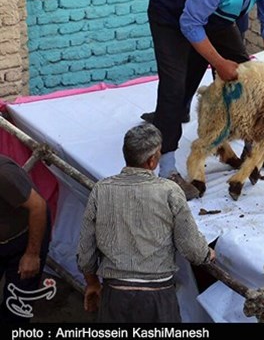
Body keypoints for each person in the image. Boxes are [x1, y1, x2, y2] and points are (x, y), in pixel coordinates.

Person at [147, 0, 264, 198]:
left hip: (217, 14)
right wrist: (218, 63)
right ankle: (167, 169)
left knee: (252, 78)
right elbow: (190, 24)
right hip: (172, 12)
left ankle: (253, 148)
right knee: (175, 85)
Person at [76, 123, 215, 323]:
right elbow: (191, 248)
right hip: (157, 297)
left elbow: (86, 250)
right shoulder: (169, 191)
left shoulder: (102, 189)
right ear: (152, 161)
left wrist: (92, 284)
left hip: (115, 295)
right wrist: (206, 253)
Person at [0, 156, 50, 323]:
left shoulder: (4, 174)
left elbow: (38, 207)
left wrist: (32, 254)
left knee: (18, 303)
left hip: (24, 237)